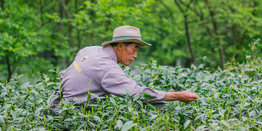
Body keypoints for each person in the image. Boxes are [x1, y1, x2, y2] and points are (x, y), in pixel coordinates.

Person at [46, 25, 198, 112]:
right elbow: (136, 93)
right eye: (134, 49)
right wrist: (178, 96)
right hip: (69, 117)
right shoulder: (107, 67)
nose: (136, 55)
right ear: (120, 46)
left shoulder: (89, 50)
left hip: (54, 106)